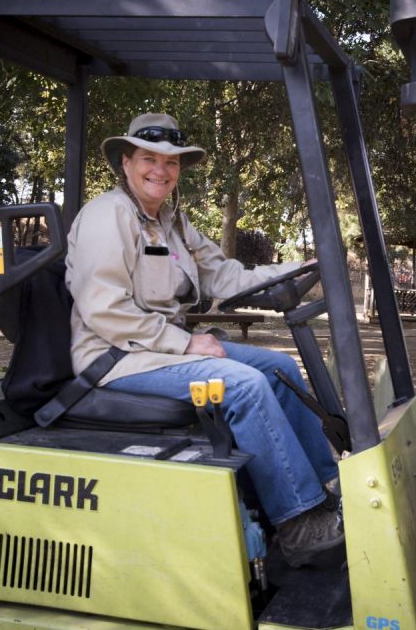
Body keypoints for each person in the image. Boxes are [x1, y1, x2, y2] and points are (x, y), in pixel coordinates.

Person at [65, 113, 342, 567]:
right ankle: (297, 525)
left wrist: (299, 269)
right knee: (245, 385)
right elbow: (104, 309)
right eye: (149, 159)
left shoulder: (172, 222)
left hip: (158, 349)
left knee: (279, 369)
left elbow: (226, 276)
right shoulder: (107, 215)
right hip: (116, 358)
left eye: (171, 162)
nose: (161, 169)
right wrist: (185, 344)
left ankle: (321, 494)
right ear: (126, 161)